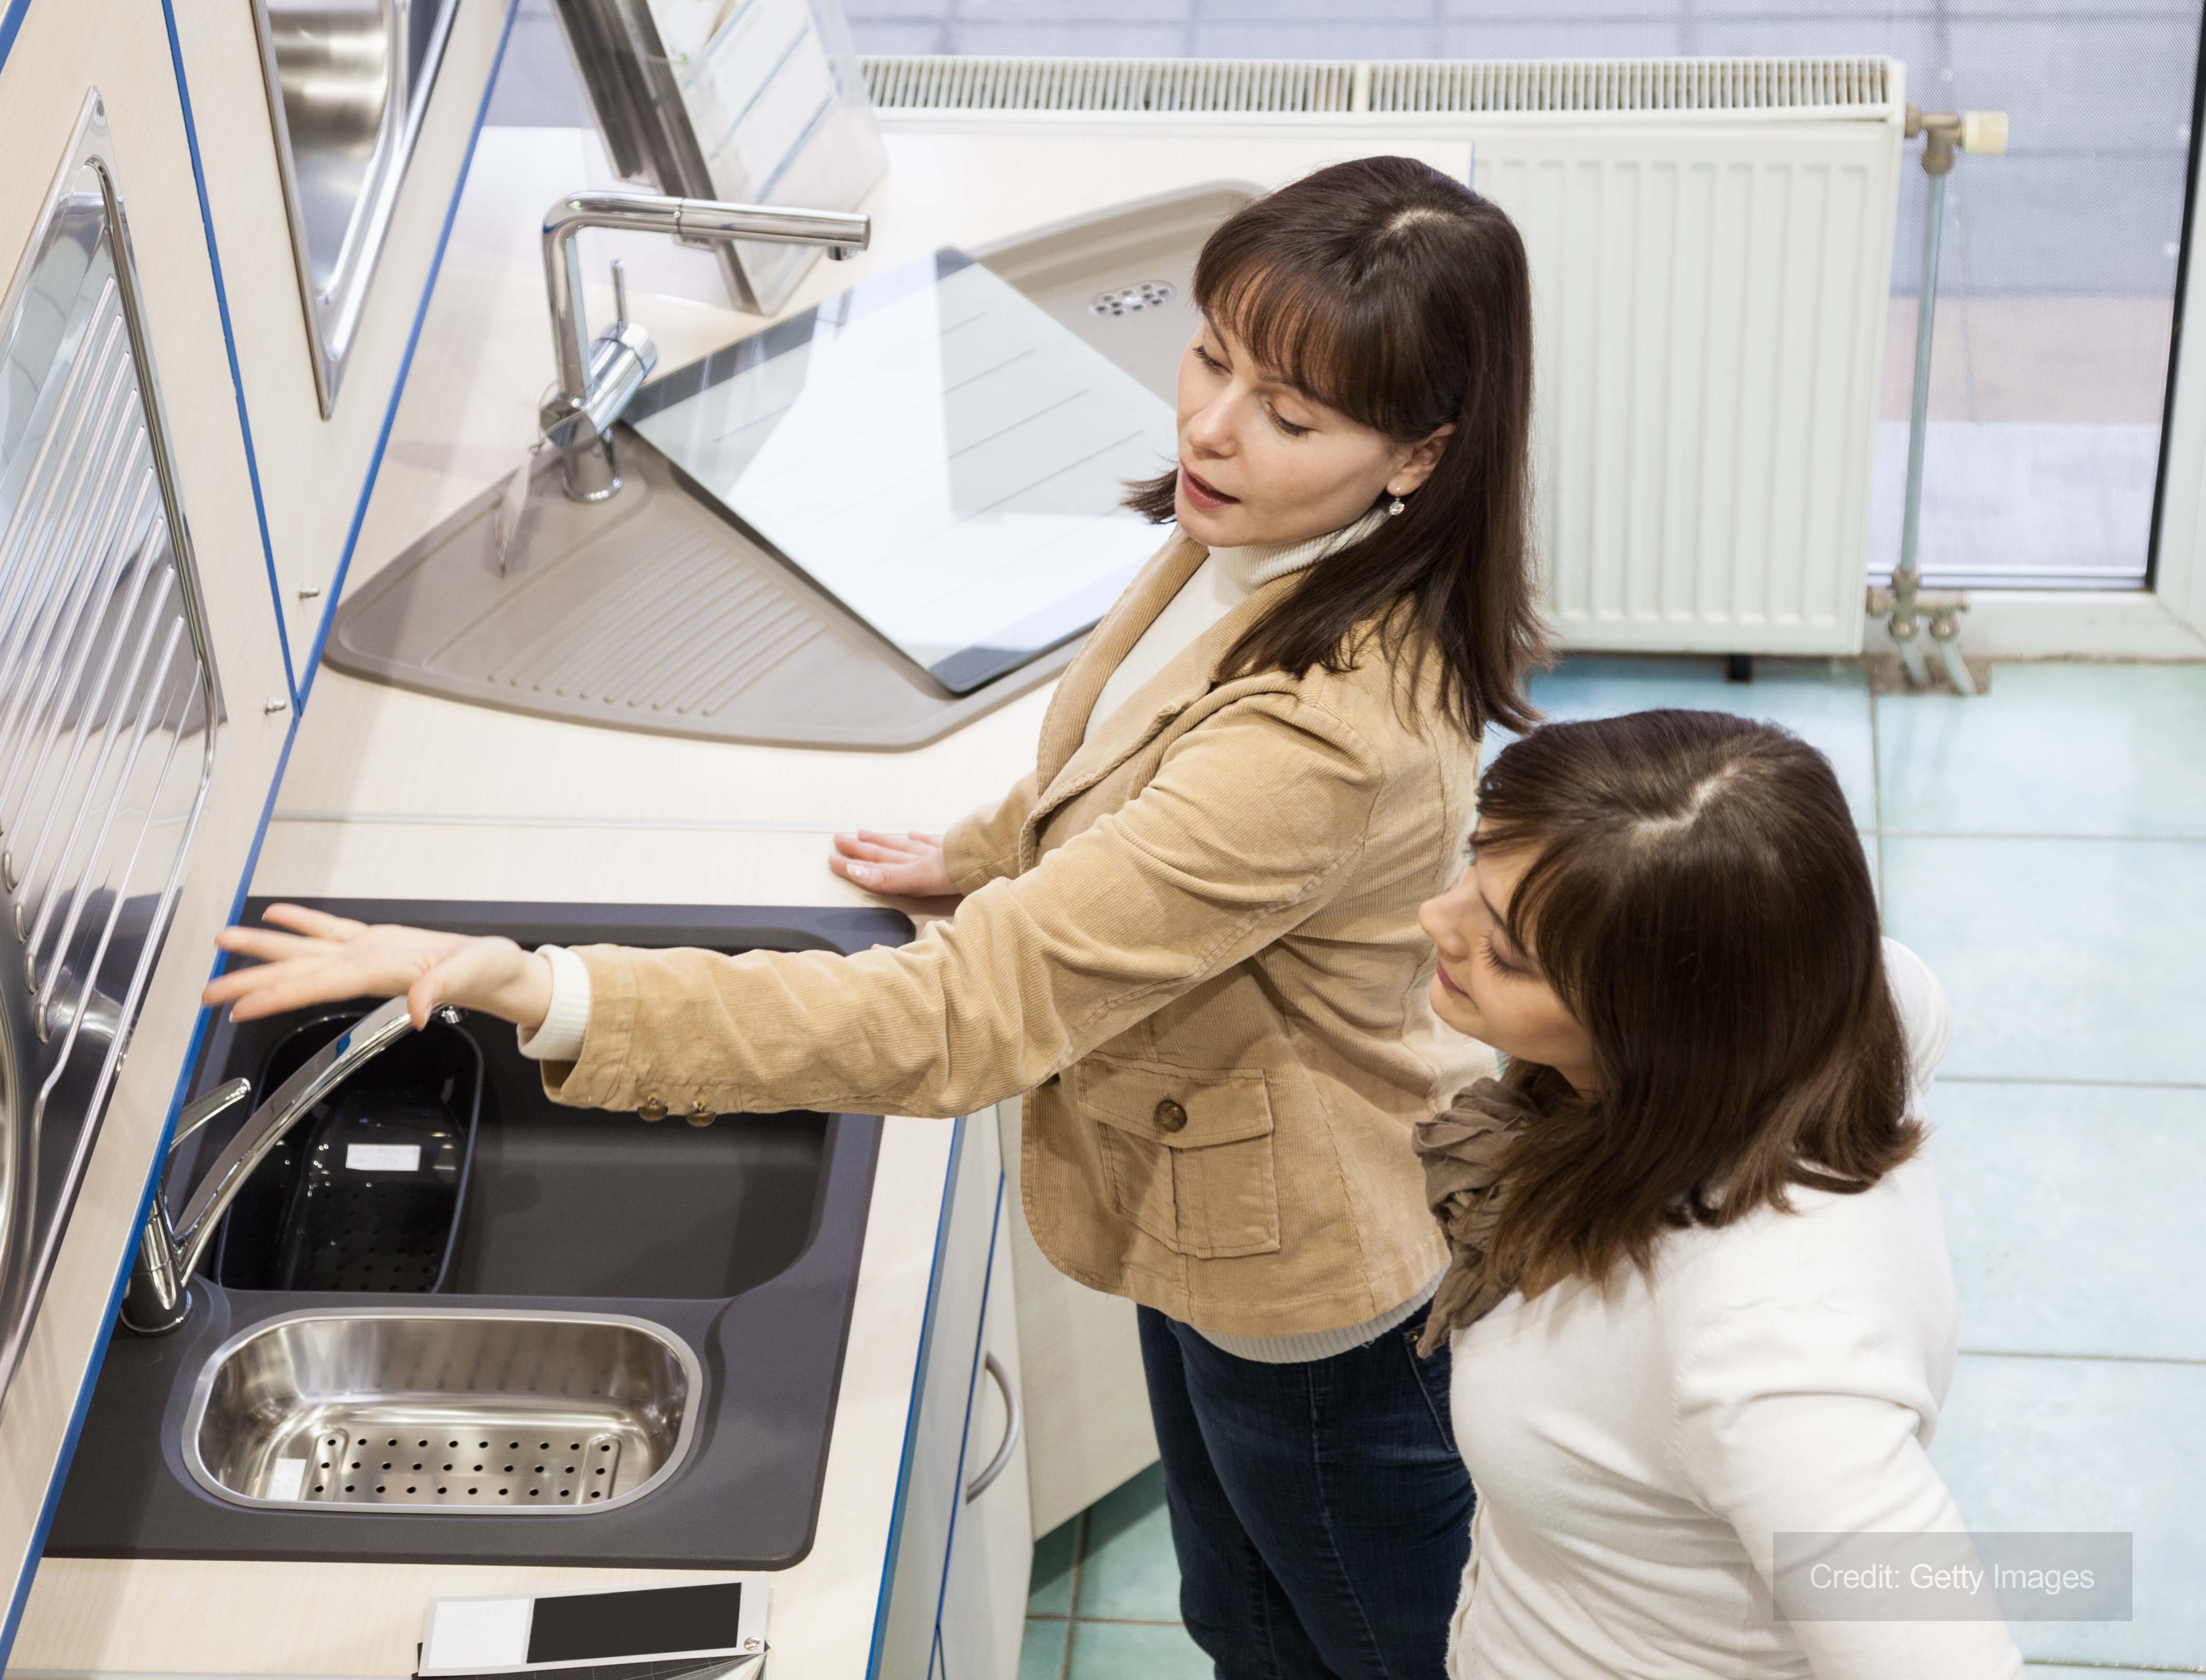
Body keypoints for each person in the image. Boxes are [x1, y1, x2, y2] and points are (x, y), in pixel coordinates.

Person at [205, 155, 1548, 1678]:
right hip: (1205, 1215)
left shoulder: (1326, 732)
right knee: (1239, 1618)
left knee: (1374, 1649)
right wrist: (988, 850)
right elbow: (1143, 751)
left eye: (1286, 414)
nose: (1206, 424)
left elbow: (952, 1020)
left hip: (1305, 1283)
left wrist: (537, 986)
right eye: (1208, 356)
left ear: (1417, 459)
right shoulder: (1271, 531)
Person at [1413, 708, 2026, 1679]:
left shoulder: (1764, 1343)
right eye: (1470, 869)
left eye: (1507, 953)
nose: (1435, 923)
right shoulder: (1850, 1008)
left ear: (1668, 1023)